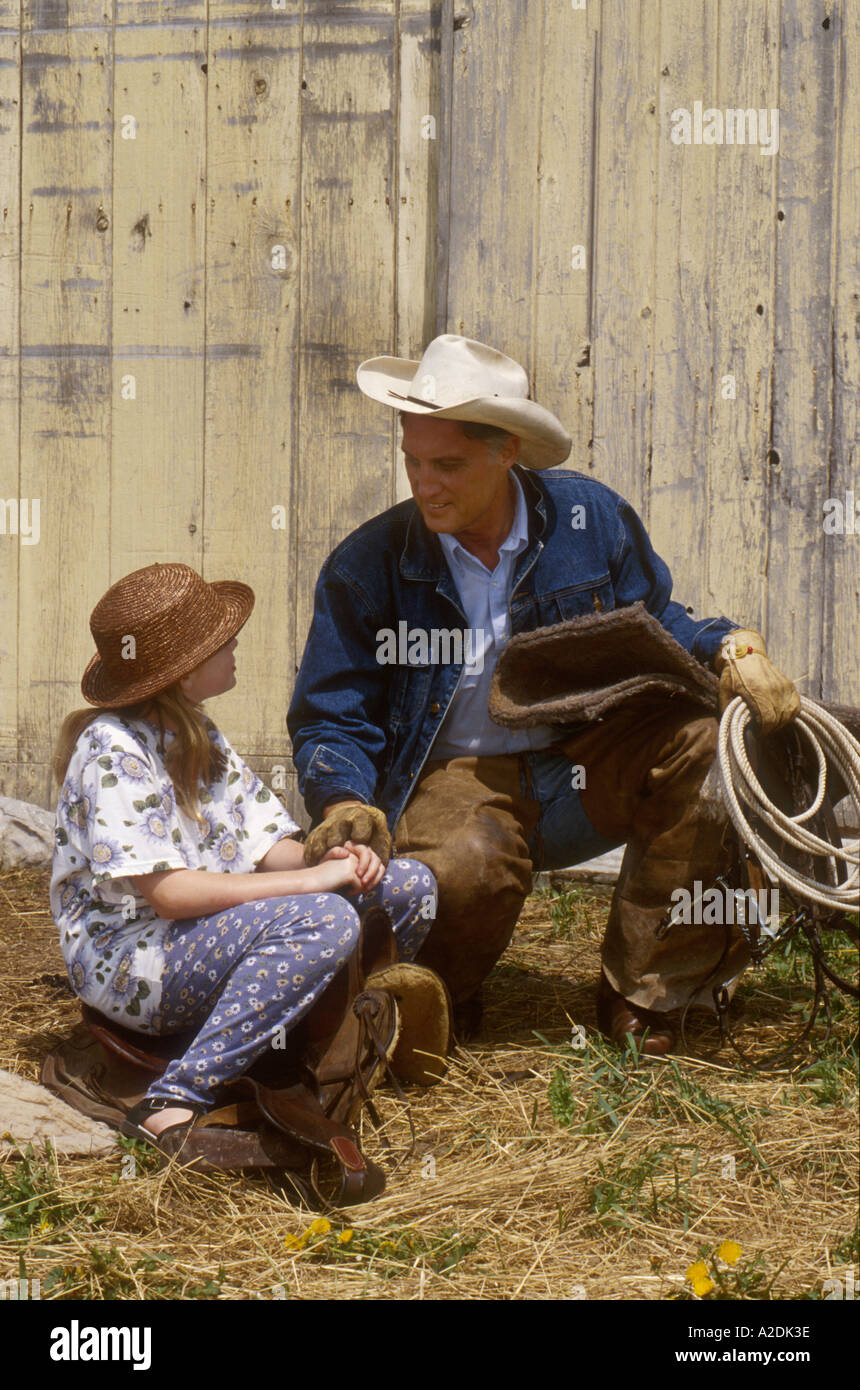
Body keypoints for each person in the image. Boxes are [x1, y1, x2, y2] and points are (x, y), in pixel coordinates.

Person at [287, 334, 800, 1055]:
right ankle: (442, 992)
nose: (423, 484)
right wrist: (342, 798)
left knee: (710, 749)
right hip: (459, 780)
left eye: (448, 465)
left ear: (508, 453)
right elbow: (330, 713)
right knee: (463, 868)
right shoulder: (367, 566)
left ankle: (645, 999)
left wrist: (729, 648)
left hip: (581, 757)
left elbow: (655, 621)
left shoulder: (589, 521)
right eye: (413, 460)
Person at [50, 562, 436, 1151]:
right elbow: (171, 896)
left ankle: (317, 1034)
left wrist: (338, 857)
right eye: (218, 640)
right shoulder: (111, 749)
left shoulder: (199, 733)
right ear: (182, 674)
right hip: (136, 960)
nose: (234, 643)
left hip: (214, 933)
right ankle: (175, 1096)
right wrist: (313, 887)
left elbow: (265, 848)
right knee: (324, 918)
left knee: (410, 884)